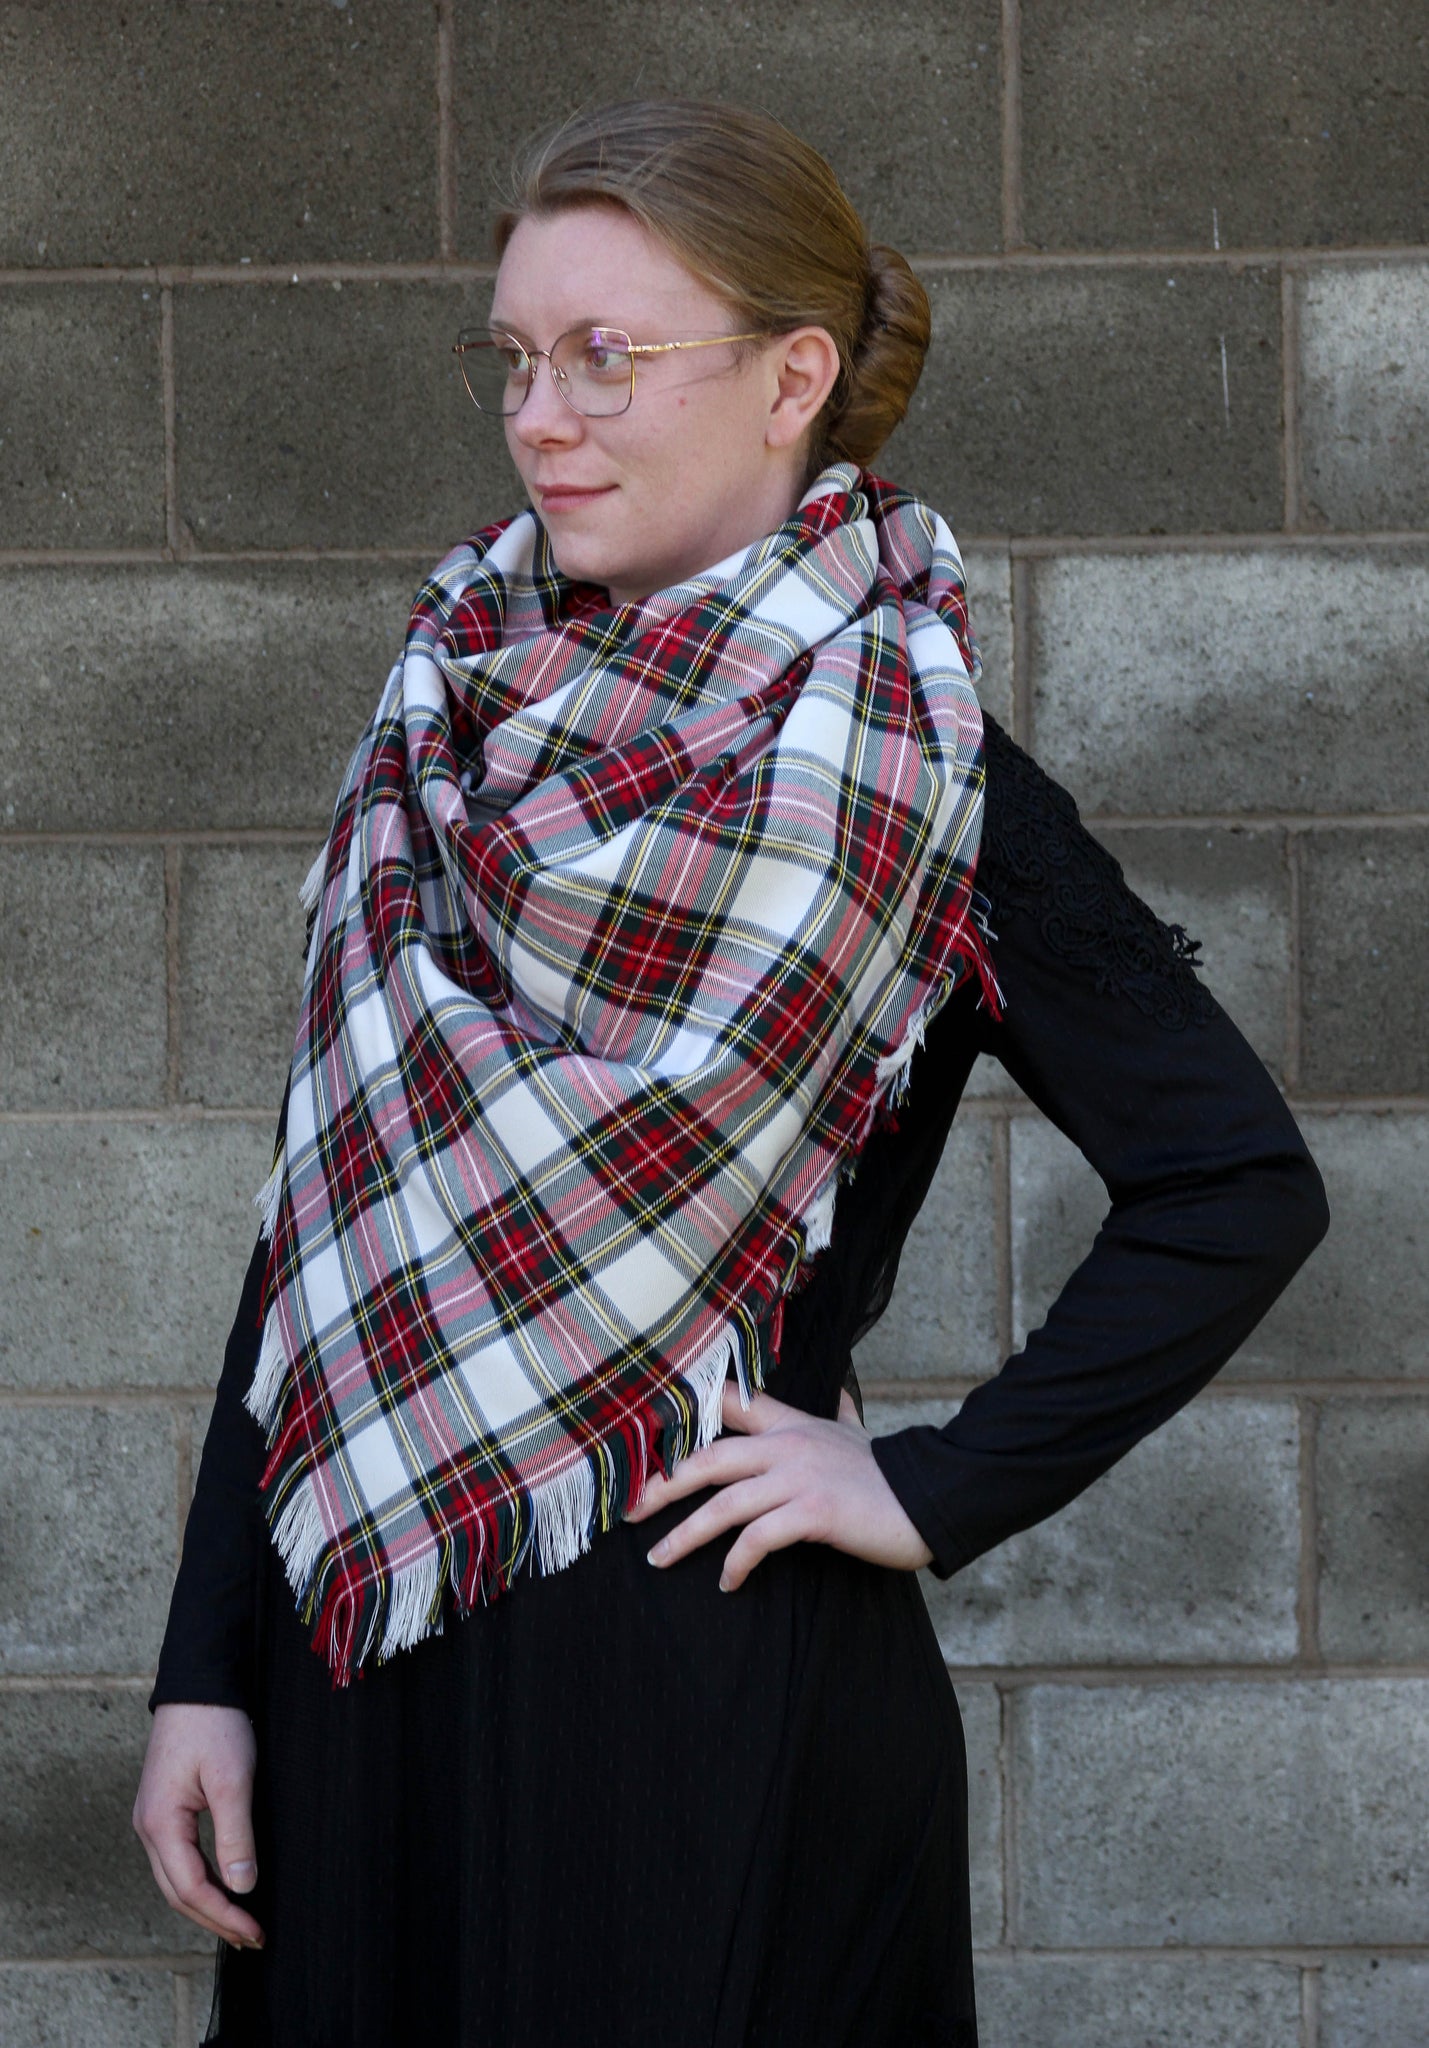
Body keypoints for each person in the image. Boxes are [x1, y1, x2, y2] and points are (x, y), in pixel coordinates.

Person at [133, 100, 1329, 2048]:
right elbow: (326, 1239)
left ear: (793, 380)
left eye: (609, 354)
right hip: (366, 1651)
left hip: (694, 1683)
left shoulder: (922, 778)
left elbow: (1231, 1180)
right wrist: (209, 1663)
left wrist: (928, 1486)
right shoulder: (451, 733)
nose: (541, 413)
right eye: (515, 357)